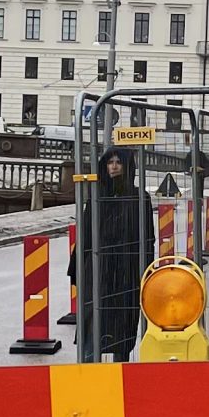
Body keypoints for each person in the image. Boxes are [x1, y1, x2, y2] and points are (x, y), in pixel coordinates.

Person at [72, 150, 150, 361]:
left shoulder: (139, 197)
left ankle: (119, 370)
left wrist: (145, 271)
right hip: (98, 269)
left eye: (118, 163)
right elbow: (86, 232)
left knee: (122, 324)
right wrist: (77, 266)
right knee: (92, 321)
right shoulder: (97, 196)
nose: (114, 167)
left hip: (126, 270)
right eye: (110, 163)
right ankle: (87, 371)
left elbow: (147, 238)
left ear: (127, 166)